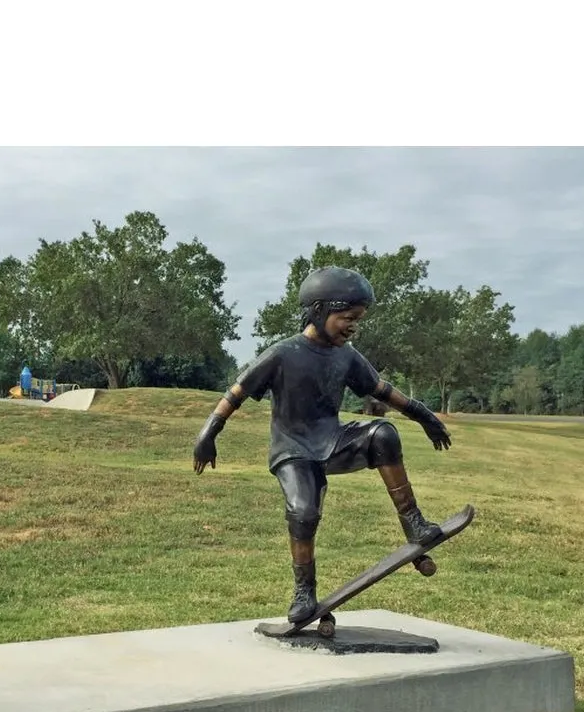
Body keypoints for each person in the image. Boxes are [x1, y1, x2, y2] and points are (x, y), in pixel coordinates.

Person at [192, 265, 451, 624]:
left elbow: (383, 391)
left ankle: (413, 521)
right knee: (303, 513)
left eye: (357, 319)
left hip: (333, 441)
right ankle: (304, 590)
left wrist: (425, 416)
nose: (353, 326)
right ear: (319, 311)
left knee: (383, 434)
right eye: (348, 317)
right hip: (292, 451)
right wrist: (209, 431)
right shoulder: (282, 354)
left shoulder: (347, 356)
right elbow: (236, 392)